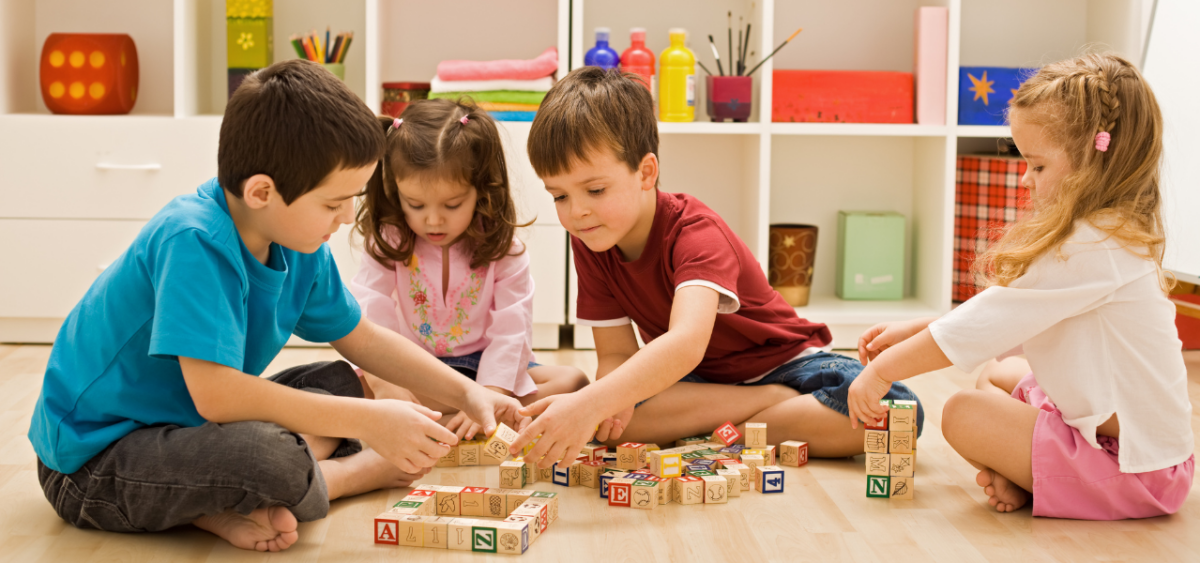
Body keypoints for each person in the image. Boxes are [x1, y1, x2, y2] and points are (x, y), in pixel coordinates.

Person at [28, 60, 526, 552]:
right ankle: (343, 475)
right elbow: (218, 397)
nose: (346, 216)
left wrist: (467, 393)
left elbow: (365, 340)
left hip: (187, 430)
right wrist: (370, 426)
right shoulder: (194, 240)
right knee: (270, 457)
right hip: (93, 462)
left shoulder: (298, 241)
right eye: (333, 204)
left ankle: (218, 504)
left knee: (345, 381)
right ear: (262, 192)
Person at [509, 67, 923, 467]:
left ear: (646, 173)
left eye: (595, 189)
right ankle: (764, 411)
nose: (577, 212)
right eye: (559, 196)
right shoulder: (593, 237)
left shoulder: (695, 231)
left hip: (786, 364)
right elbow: (617, 354)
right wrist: (608, 405)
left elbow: (686, 343)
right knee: (621, 425)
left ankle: (744, 418)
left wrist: (594, 403)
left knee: (899, 415)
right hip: (699, 383)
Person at [848, 54, 1194, 519]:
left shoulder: (1091, 247)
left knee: (963, 412)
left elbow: (989, 321)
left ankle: (1036, 479)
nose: (1024, 179)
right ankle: (1030, 475)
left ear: (1095, 158)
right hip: (1138, 444)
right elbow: (1003, 316)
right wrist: (915, 330)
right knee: (993, 374)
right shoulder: (1106, 231)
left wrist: (883, 371)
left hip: (1135, 468)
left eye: (1037, 166)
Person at [352, 99, 588, 439]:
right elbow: (369, 309)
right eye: (415, 204)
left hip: (484, 371)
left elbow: (512, 329)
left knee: (573, 382)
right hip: (416, 371)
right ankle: (450, 418)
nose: (433, 220)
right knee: (351, 388)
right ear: (394, 190)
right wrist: (386, 383)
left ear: (481, 190)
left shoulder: (505, 250)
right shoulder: (391, 239)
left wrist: (491, 395)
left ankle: (449, 419)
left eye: (452, 204)